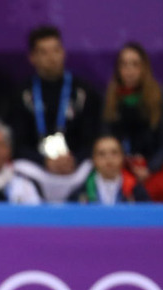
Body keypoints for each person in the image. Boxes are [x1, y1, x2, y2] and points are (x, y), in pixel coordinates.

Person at [12, 25, 100, 202]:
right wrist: (44, 162)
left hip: (76, 169)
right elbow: (17, 144)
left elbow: (94, 138)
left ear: (64, 52)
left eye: (56, 50)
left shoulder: (84, 91)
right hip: (36, 170)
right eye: (44, 52)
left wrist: (75, 159)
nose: (51, 57)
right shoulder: (21, 94)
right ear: (32, 57)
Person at [103, 42, 163, 203]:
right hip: (118, 167)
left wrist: (149, 169)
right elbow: (105, 138)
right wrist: (119, 163)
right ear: (117, 69)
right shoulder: (109, 99)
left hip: (152, 168)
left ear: (144, 68)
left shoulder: (161, 98)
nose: (129, 70)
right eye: (124, 64)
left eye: (135, 64)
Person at [68, 135, 149, 204]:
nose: (108, 158)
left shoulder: (136, 191)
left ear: (122, 157)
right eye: (102, 154)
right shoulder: (81, 192)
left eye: (114, 153)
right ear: (94, 159)